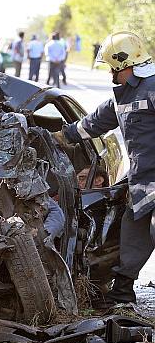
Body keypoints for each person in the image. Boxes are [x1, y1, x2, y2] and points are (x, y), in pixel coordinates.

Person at [61, 31, 155, 306]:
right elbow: (93, 123)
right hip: (143, 179)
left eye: (110, 67)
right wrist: (61, 136)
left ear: (121, 64)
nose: (110, 74)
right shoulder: (123, 96)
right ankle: (123, 290)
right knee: (133, 227)